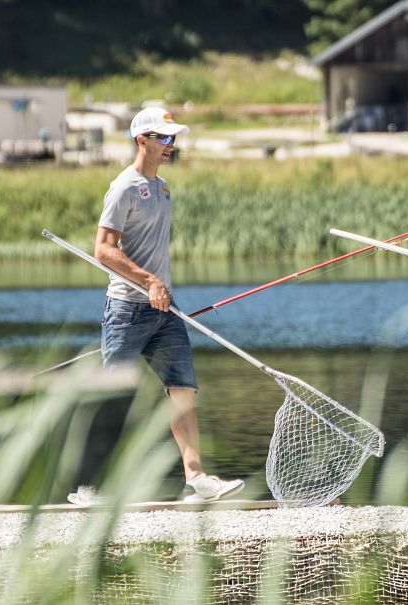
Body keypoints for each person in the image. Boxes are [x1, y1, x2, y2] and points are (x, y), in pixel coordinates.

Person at [73, 107, 244, 504]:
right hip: (127, 311)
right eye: (163, 138)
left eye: (173, 138)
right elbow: (102, 249)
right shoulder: (123, 188)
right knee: (112, 399)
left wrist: (159, 287)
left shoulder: (163, 188)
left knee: (183, 389)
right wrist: (149, 281)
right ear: (142, 140)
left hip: (163, 311)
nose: (170, 145)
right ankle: (91, 486)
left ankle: (196, 478)